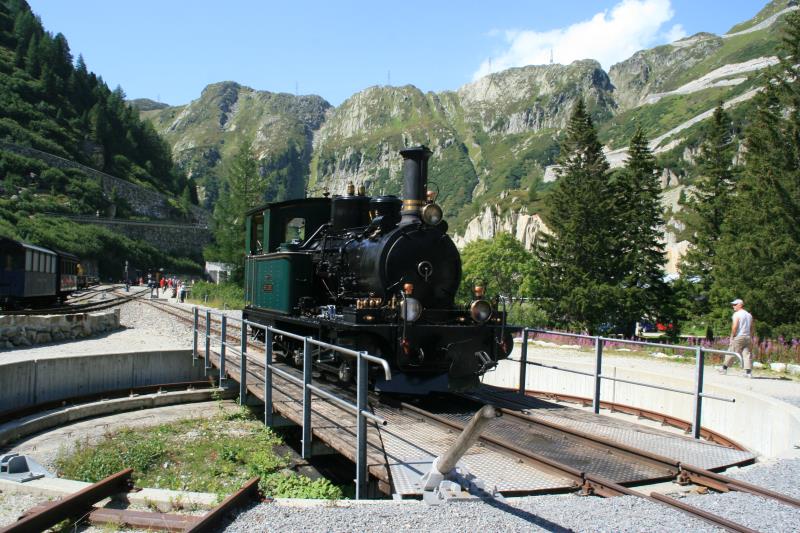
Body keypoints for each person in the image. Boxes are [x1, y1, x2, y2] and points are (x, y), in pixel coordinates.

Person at [719, 298, 754, 378]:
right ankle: (748, 372)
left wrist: (733, 335)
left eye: (735, 304)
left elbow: (735, 326)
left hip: (739, 336)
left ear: (740, 305)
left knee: (731, 351)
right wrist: (751, 337)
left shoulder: (737, 314)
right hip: (748, 337)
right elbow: (752, 327)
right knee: (747, 354)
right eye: (733, 305)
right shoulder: (749, 315)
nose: (733, 306)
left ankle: (724, 369)